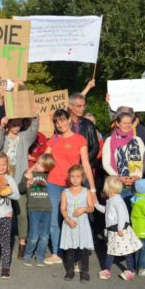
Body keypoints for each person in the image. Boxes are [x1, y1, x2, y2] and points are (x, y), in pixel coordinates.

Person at [43, 109, 98, 264]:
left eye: (62, 120)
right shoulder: (53, 139)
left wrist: (92, 189)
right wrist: (31, 172)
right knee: (55, 220)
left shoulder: (79, 139)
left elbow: (86, 164)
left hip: (73, 187)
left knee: (75, 218)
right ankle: (56, 253)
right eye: (56, 121)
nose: (60, 124)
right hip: (54, 184)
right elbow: (44, 159)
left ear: (69, 120)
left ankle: (75, 252)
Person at [0, 112, 40, 259]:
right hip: (4, 180)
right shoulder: (3, 136)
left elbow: (33, 131)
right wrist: (1, 127)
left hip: (19, 181)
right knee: (1, 214)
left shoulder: (24, 137)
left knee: (22, 214)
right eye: (14, 123)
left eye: (19, 124)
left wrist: (35, 117)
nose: (16, 127)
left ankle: (22, 243)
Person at [95, 176, 142, 281]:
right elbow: (107, 211)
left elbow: (122, 215)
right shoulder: (111, 200)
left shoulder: (117, 201)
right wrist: (96, 205)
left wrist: (120, 228)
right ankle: (107, 270)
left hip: (120, 230)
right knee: (111, 251)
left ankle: (130, 271)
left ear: (108, 188)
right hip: (113, 231)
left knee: (126, 252)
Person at [59, 165, 95, 281]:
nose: (75, 179)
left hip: (82, 225)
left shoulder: (86, 191)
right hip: (70, 224)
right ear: (69, 178)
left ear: (82, 178)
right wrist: (68, 220)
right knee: (70, 249)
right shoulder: (65, 192)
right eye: (72, 176)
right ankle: (70, 271)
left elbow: (91, 208)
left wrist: (83, 209)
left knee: (83, 249)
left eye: (78, 176)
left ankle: (85, 272)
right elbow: (63, 209)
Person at [101, 112, 145, 196]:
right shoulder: (109, 140)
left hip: (135, 184)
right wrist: (119, 177)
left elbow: (144, 161)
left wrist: (138, 176)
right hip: (116, 184)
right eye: (125, 123)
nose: (128, 125)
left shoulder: (138, 140)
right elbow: (106, 164)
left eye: (129, 123)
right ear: (117, 123)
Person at [22, 154, 55, 267]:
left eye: (41, 165)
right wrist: (27, 178)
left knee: (45, 236)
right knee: (34, 234)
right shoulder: (29, 173)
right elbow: (21, 189)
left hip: (47, 209)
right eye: (38, 162)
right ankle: (27, 254)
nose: (37, 165)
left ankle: (40, 256)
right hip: (34, 208)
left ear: (47, 168)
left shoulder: (49, 176)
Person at [67, 92, 99, 172]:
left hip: (85, 168)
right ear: (70, 106)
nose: (82, 109)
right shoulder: (63, 124)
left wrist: (83, 160)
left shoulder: (89, 124)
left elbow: (95, 147)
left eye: (83, 106)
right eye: (79, 106)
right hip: (67, 167)